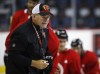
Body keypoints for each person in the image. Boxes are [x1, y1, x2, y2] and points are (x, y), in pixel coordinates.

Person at [4, 0, 59, 73]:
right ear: (34, 16)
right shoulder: (22, 32)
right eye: (43, 16)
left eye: (48, 17)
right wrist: (34, 63)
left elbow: (42, 47)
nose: (46, 20)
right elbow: (13, 55)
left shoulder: (44, 29)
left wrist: (48, 57)